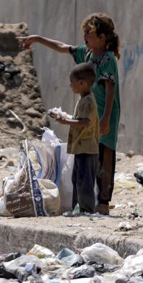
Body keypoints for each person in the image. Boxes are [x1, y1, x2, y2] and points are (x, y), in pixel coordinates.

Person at [18, 13, 122, 215]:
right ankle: (85, 201)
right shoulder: (88, 54)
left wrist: (107, 117)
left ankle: (103, 201)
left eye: (89, 33)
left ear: (102, 37)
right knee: (89, 155)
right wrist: (38, 38)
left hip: (104, 113)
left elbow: (110, 89)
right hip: (88, 113)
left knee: (105, 155)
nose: (84, 36)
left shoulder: (107, 59)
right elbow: (63, 47)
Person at [50, 62, 99, 214]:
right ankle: (77, 208)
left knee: (85, 181)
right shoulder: (82, 99)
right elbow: (80, 119)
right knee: (77, 179)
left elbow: (85, 122)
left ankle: (87, 209)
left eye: (72, 82)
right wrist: (64, 116)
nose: (70, 85)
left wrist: (66, 121)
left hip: (87, 148)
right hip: (81, 147)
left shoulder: (88, 101)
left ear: (82, 83)